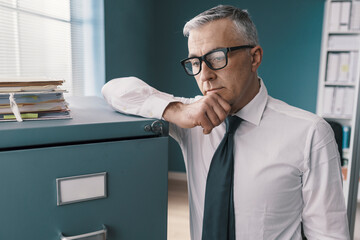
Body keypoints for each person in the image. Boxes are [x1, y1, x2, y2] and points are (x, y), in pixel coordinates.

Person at [102, 5, 350, 240]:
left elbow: (328, 234)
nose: (205, 75)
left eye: (217, 57)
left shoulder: (310, 133)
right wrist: (177, 110)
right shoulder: (191, 116)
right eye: (196, 63)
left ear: (254, 58)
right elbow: (114, 90)